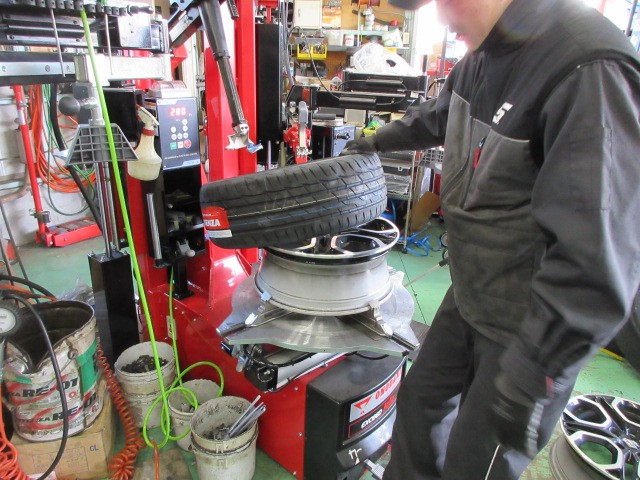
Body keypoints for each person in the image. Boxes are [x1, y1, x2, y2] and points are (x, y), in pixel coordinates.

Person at [343, 0, 640, 478]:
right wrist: (377, 141)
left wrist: (533, 375)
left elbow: (598, 258)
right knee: (420, 407)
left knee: (475, 461)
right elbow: (442, 115)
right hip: (472, 293)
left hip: (527, 326)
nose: (443, 16)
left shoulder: (587, 68)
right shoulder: (487, 49)